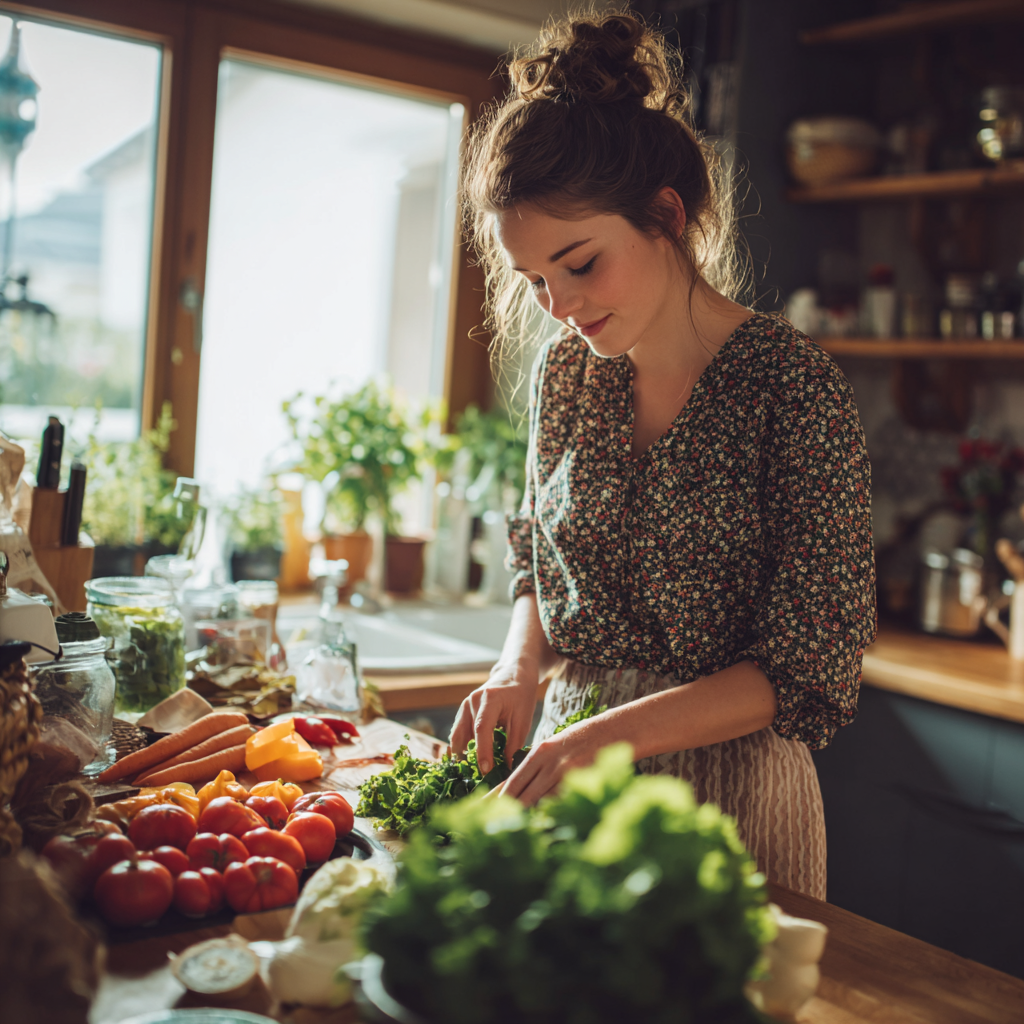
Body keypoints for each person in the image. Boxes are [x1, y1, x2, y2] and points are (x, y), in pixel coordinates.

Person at [450, 9, 875, 899]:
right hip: (571, 774)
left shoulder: (791, 387)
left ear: (666, 216)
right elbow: (539, 551)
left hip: (730, 798)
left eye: (580, 264)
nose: (559, 306)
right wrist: (515, 664)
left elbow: (809, 662)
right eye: (534, 282)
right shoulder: (568, 374)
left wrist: (605, 735)